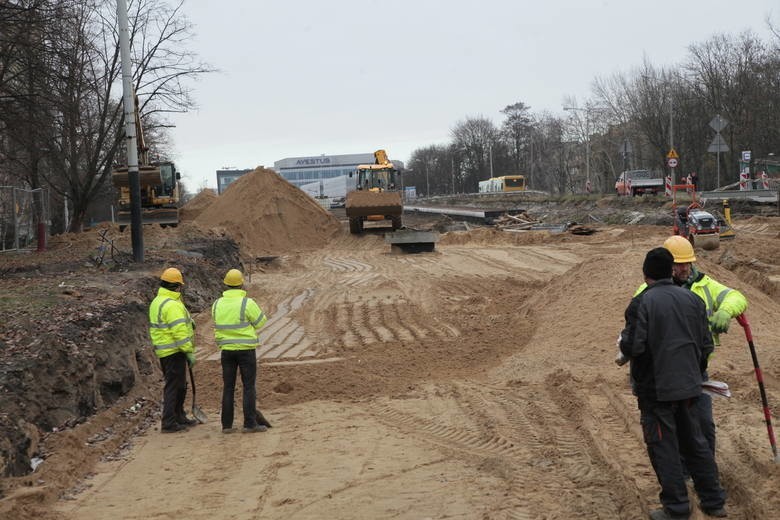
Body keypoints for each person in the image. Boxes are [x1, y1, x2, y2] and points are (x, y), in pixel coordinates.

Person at [619, 248, 726, 520]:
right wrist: (693, 374)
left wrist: (624, 347)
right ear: (671, 270)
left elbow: (634, 346)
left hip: (657, 391)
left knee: (664, 446)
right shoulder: (693, 299)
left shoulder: (641, 303)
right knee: (696, 444)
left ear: (645, 274)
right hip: (690, 386)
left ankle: (677, 509)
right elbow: (705, 345)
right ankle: (714, 501)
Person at [630, 235, 748, 455]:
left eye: (687, 262)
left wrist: (725, 311)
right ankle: (682, 474)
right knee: (671, 429)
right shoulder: (647, 292)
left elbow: (736, 296)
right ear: (667, 264)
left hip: (695, 370)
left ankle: (704, 473)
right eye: (677, 263)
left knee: (703, 425)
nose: (683, 268)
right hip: (661, 374)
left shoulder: (704, 285)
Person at [212, 269, 268, 434]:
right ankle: (250, 424)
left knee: (228, 387)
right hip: (246, 351)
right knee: (248, 387)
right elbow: (260, 322)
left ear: (226, 284)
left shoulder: (217, 304)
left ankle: (227, 426)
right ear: (241, 284)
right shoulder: (247, 303)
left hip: (226, 351)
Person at [148, 267, 196, 433]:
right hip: (174, 351)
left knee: (180, 385)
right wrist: (188, 351)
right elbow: (179, 332)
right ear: (176, 286)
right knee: (174, 386)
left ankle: (179, 416)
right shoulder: (171, 305)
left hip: (165, 351)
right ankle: (169, 422)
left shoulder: (158, 301)